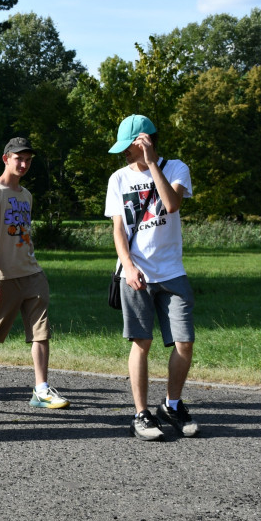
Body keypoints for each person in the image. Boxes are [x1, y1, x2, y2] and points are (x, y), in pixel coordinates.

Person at [0, 137, 70, 409]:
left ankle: (41, 389)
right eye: (19, 158)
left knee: (41, 332)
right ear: (6, 159)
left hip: (32, 273)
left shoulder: (26, 195)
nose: (24, 164)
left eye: (28, 160)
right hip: (4, 277)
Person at [105, 114, 199, 441]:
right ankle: (141, 414)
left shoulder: (175, 168)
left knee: (184, 343)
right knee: (141, 343)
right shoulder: (118, 178)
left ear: (143, 141)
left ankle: (172, 405)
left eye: (128, 147)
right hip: (136, 274)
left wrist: (151, 164)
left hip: (172, 272)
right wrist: (127, 266)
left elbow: (171, 205)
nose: (124, 154)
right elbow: (118, 228)